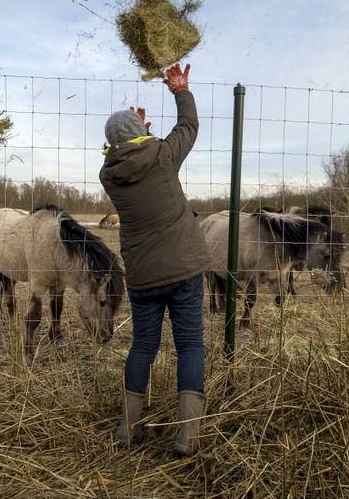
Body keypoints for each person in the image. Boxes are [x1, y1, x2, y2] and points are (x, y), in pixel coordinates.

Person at [98, 63, 211, 456]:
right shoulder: (162, 156)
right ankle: (188, 435)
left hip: (143, 275)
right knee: (190, 345)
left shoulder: (108, 175)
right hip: (183, 269)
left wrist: (135, 133)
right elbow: (189, 125)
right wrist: (180, 89)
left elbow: (123, 153)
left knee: (143, 346)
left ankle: (129, 429)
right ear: (143, 136)